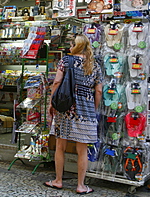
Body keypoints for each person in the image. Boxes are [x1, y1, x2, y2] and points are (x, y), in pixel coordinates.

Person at [43, 34, 103, 194]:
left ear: (76, 46)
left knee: (60, 147)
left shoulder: (66, 61)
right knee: (82, 150)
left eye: (71, 44)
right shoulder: (94, 65)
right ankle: (81, 185)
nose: (69, 47)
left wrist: (51, 103)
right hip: (86, 112)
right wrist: (93, 108)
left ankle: (58, 180)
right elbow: (98, 90)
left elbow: (56, 82)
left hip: (66, 110)